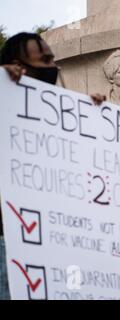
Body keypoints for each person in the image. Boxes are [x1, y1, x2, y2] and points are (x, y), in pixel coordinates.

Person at [0, 32, 106, 300]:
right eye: (44, 60)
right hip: (9, 246)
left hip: (57, 244)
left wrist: (90, 114)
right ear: (17, 65)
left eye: (53, 59)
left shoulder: (58, 116)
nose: (53, 67)